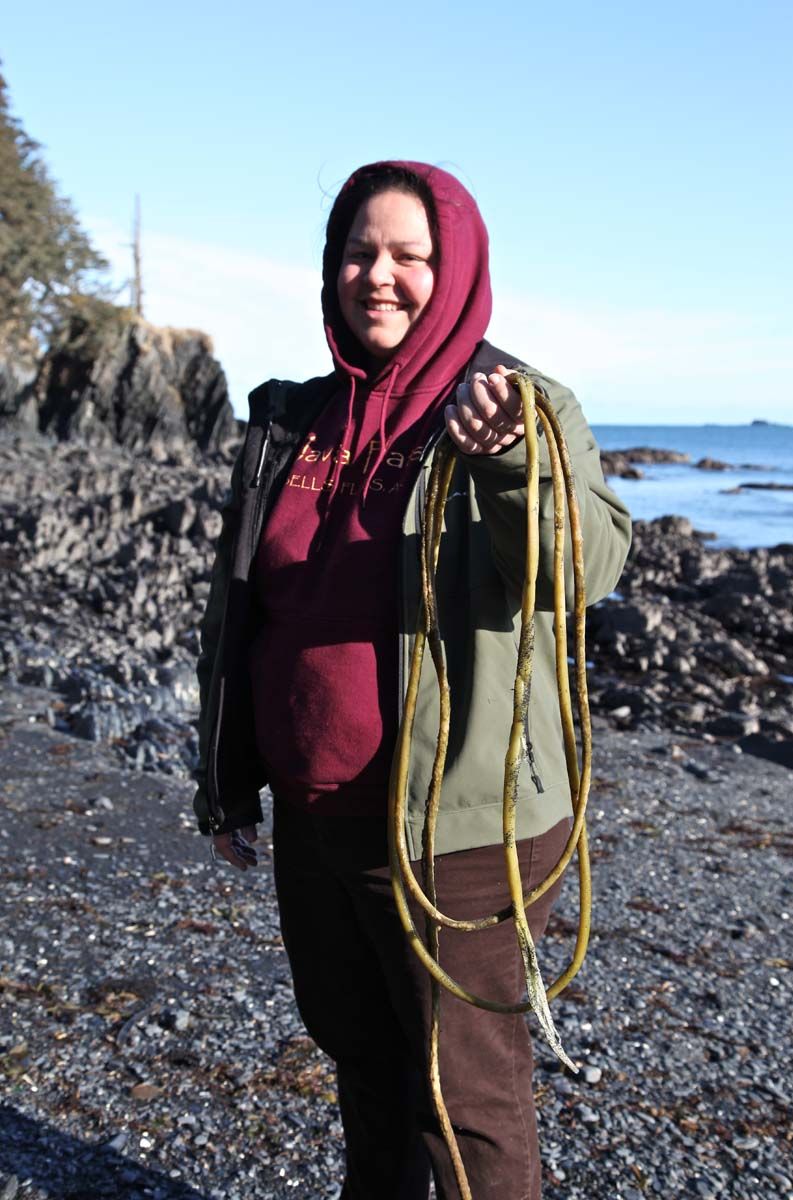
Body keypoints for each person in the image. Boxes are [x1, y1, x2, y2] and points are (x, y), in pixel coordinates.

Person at [192, 160, 632, 1200]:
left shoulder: (515, 404)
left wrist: (511, 464)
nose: (376, 276)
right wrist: (222, 779)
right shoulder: (292, 421)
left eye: (407, 256)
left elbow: (583, 570)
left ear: (457, 267)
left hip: (456, 836)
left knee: (468, 1111)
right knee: (367, 1072)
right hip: (316, 822)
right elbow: (244, 615)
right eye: (357, 252)